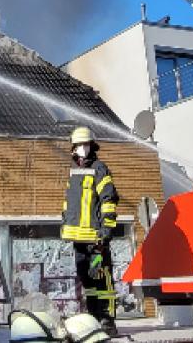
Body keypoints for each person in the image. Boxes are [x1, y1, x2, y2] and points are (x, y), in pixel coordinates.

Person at [61, 127, 119, 337]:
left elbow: (108, 201)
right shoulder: (73, 173)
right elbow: (69, 204)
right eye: (78, 145)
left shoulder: (99, 168)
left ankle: (107, 319)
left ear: (92, 146)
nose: (82, 149)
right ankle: (93, 316)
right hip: (78, 241)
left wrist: (106, 232)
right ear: (73, 148)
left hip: (96, 241)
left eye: (85, 145)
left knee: (101, 278)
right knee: (86, 279)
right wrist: (65, 222)